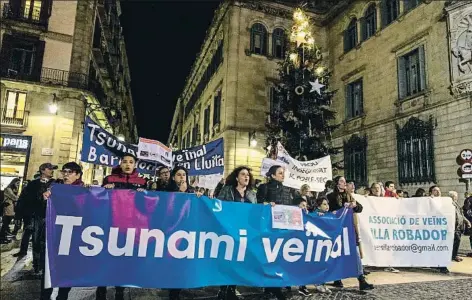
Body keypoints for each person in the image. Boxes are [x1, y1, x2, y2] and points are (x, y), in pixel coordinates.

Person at [96, 153, 147, 300]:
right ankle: (101, 292)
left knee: (123, 262)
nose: (128, 164)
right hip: (110, 226)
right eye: (125, 161)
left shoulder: (142, 181)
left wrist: (145, 194)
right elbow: (99, 199)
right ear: (120, 163)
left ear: (135, 165)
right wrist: (104, 189)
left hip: (129, 228)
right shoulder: (110, 179)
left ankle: (120, 292)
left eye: (131, 162)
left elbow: (146, 205)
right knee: (105, 261)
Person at [40, 162, 85, 300]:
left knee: (67, 269)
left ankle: (62, 296)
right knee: (48, 268)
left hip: (72, 236)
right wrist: (45, 198)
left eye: (70, 172)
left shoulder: (84, 191)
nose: (66, 174)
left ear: (77, 175)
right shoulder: (54, 187)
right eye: (64, 171)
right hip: (54, 234)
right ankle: (45, 296)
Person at [327, 176, 374, 290]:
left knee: (355, 254)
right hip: (337, 230)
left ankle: (361, 280)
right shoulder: (330, 196)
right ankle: (337, 279)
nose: (344, 183)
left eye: (345, 181)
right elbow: (328, 210)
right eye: (342, 181)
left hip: (349, 230)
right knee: (336, 254)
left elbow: (360, 208)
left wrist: (355, 206)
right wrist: (339, 209)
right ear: (337, 184)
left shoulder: (349, 195)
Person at [216, 166, 256, 300]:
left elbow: (255, 212)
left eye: (248, 175)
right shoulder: (228, 190)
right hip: (228, 230)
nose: (246, 177)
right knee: (227, 259)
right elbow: (219, 206)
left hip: (244, 232)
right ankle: (222, 288)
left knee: (238, 261)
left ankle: (232, 288)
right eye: (243, 174)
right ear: (237, 177)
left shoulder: (252, 193)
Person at [13, 163, 57, 272]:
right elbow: (23, 199)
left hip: (51, 216)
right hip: (36, 216)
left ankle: (45, 263)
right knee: (37, 240)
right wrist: (19, 215)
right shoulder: (33, 184)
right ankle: (37, 263)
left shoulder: (55, 183)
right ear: (42, 170)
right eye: (50, 169)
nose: (52, 171)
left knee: (48, 240)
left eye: (52, 169)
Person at [256, 165, 291, 300]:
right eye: (280, 173)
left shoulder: (287, 189)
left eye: (283, 173)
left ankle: (274, 285)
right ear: (272, 175)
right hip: (268, 227)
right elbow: (258, 203)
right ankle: (272, 286)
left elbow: (291, 204)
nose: (283, 175)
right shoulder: (264, 187)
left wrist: (299, 204)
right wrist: (266, 204)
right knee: (269, 256)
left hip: (282, 227)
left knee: (279, 256)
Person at [164, 166, 195, 300]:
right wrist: (180, 193)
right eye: (178, 175)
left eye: (184, 174)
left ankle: (179, 288)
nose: (182, 177)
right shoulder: (166, 191)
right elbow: (167, 209)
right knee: (172, 263)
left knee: (183, 263)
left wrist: (198, 197)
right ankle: (173, 292)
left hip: (187, 231)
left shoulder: (192, 191)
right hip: (172, 231)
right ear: (173, 177)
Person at [449, 191, 471, 262]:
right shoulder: (450, 204)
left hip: (459, 226)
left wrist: (467, 221)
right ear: (453, 196)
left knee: (457, 241)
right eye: (456, 196)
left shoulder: (456, 204)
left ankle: (454, 255)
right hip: (454, 226)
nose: (457, 197)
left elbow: (461, 215)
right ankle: (453, 256)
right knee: (456, 240)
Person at [0, 178, 20, 244]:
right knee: (5, 222)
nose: (18, 184)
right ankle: (2, 238)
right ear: (13, 182)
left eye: (18, 183)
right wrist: (19, 198)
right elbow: (13, 197)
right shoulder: (8, 189)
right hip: (8, 206)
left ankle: (4, 236)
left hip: (11, 206)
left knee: (7, 222)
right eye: (17, 183)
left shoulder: (13, 189)